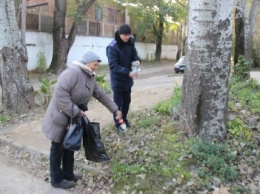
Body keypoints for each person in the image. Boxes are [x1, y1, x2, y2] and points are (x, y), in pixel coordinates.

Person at [41, 51, 122, 189]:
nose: (96, 67)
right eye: (95, 64)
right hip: (60, 116)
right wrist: (77, 111)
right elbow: (60, 93)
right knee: (57, 148)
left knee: (69, 146)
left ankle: (68, 174)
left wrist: (115, 109)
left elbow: (100, 94)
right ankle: (56, 179)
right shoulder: (73, 73)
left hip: (73, 117)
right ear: (88, 62)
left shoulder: (90, 77)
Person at [106, 23, 141, 133]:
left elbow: (134, 55)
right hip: (118, 81)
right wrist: (127, 72)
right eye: (125, 35)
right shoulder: (112, 47)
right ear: (120, 34)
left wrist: (137, 60)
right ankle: (119, 124)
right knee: (118, 105)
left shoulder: (130, 42)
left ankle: (124, 120)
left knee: (127, 102)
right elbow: (113, 66)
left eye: (129, 35)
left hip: (127, 80)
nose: (127, 37)